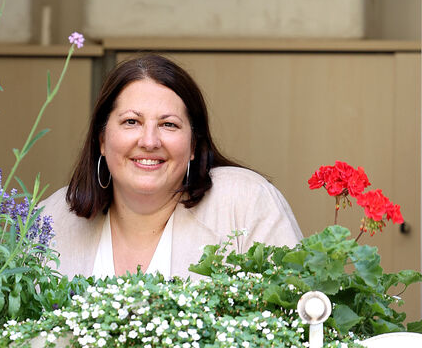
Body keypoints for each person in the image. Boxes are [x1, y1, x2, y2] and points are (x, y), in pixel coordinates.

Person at [41, 54, 302, 279]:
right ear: (102, 140)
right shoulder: (49, 219)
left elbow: (302, 318)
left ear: (192, 147)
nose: (149, 141)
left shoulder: (244, 201)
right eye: (132, 122)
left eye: (169, 125)